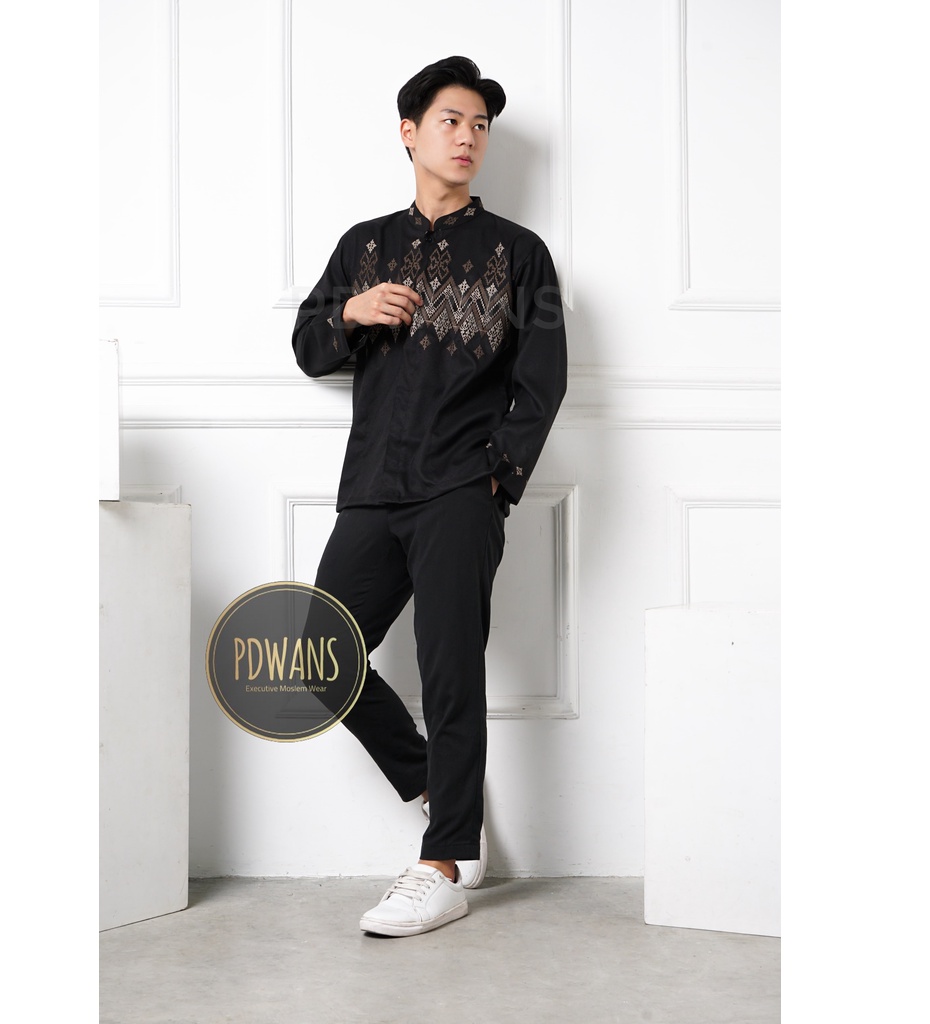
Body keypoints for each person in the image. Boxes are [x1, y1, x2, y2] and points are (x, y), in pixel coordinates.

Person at [291, 55, 567, 937]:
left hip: (459, 488)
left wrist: (496, 479)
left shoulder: (519, 254)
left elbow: (543, 382)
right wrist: (349, 314)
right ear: (410, 133)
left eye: (480, 124)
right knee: (316, 654)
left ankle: (444, 861)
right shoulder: (362, 247)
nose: (468, 137)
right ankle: (436, 788)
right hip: (373, 485)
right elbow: (308, 347)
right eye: (451, 120)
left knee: (451, 668)